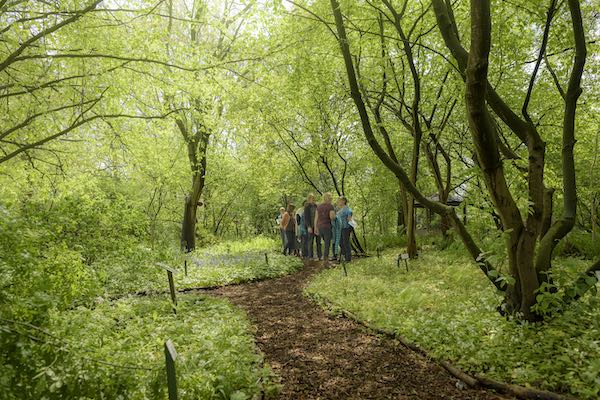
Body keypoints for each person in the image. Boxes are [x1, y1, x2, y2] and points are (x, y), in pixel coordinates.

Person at [314, 192, 336, 265]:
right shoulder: (330, 206)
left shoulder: (319, 206)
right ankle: (326, 261)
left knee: (325, 243)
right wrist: (336, 216)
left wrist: (315, 228)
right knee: (327, 243)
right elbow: (332, 217)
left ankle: (325, 259)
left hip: (320, 227)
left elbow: (316, 218)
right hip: (327, 226)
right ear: (329, 198)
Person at [337, 196, 353, 263]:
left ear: (343, 201)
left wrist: (352, 228)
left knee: (346, 243)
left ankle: (348, 259)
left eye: (339, 200)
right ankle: (343, 256)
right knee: (340, 243)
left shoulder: (348, 209)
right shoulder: (340, 210)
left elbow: (350, 219)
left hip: (346, 228)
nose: (338, 202)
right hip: (340, 229)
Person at [303, 194, 318, 259]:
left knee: (318, 241)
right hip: (310, 226)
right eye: (312, 199)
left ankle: (319, 255)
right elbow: (306, 218)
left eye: (314, 198)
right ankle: (310, 255)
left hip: (317, 226)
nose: (313, 200)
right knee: (310, 241)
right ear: (309, 199)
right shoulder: (307, 206)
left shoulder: (316, 206)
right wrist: (308, 226)